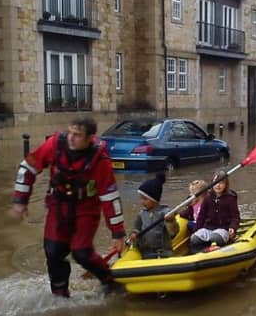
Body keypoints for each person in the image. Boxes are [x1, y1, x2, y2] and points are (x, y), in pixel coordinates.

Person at [12, 116, 126, 298]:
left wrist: (117, 234)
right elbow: (28, 168)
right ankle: (59, 294)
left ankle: (108, 280)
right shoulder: (55, 144)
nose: (71, 138)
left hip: (86, 209)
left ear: (89, 138)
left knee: (81, 253)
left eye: (78, 135)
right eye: (70, 132)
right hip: (58, 205)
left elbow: (110, 198)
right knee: (53, 250)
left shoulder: (100, 160)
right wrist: (20, 200)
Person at [128, 172, 178, 258]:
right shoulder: (141, 214)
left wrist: (171, 221)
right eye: (141, 198)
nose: (142, 202)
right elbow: (136, 228)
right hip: (145, 252)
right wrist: (133, 234)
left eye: (145, 199)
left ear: (155, 200)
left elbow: (173, 233)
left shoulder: (166, 212)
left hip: (162, 253)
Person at [189, 170, 240, 253]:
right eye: (215, 183)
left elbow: (235, 216)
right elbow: (202, 215)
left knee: (215, 238)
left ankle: (219, 247)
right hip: (208, 227)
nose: (218, 185)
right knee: (194, 239)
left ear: (226, 184)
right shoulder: (208, 197)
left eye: (221, 183)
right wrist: (196, 230)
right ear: (212, 184)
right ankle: (204, 250)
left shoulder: (230, 198)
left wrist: (233, 227)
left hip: (223, 228)